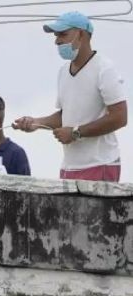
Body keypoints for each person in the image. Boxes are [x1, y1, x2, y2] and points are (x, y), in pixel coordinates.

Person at [13, 12, 127, 181]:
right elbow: (66, 115)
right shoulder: (63, 72)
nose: (57, 41)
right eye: (56, 35)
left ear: (81, 34)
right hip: (69, 167)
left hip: (100, 164)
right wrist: (36, 123)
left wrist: (76, 133)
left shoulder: (104, 69)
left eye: (63, 34)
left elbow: (120, 117)